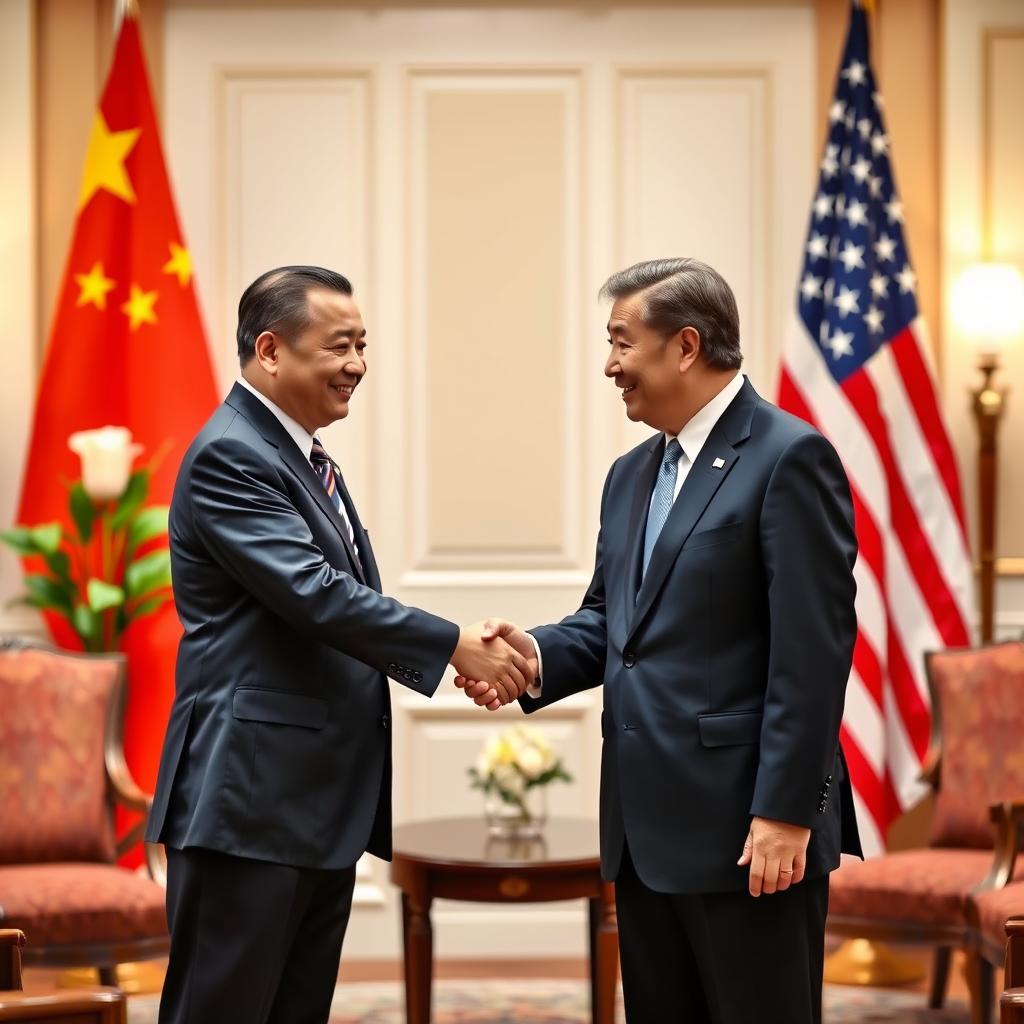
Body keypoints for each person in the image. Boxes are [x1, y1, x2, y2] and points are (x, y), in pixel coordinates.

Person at [458, 258, 862, 1024]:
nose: (609, 365)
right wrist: (530, 656)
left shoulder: (787, 457)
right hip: (645, 836)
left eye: (621, 342)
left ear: (684, 346)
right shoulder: (630, 474)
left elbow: (811, 657)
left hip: (750, 837)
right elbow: (615, 624)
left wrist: (785, 814)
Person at [146, 265, 534, 1024]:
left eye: (363, 345)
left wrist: (456, 649)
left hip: (308, 808)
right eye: (339, 346)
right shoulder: (234, 455)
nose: (358, 363)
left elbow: (343, 605)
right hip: (246, 807)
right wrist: (456, 645)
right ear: (270, 351)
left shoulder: (304, 456)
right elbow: (317, 595)